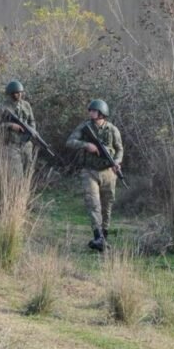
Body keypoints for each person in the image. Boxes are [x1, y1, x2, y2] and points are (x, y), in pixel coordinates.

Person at [65, 99, 123, 252]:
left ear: (101, 113)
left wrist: (117, 162)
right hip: (89, 171)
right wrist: (86, 145)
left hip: (108, 172)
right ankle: (97, 236)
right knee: (93, 204)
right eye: (90, 110)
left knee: (107, 205)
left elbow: (119, 149)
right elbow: (70, 142)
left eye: (93, 111)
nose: (90, 113)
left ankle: (104, 237)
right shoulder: (85, 128)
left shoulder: (112, 130)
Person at [0, 80, 36, 172]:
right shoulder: (1, 107)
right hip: (11, 145)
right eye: (16, 93)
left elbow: (32, 121)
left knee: (28, 171)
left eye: (20, 92)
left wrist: (32, 131)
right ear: (10, 94)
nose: (19, 95)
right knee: (16, 173)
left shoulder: (26, 105)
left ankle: (25, 187)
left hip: (26, 144)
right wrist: (10, 125)